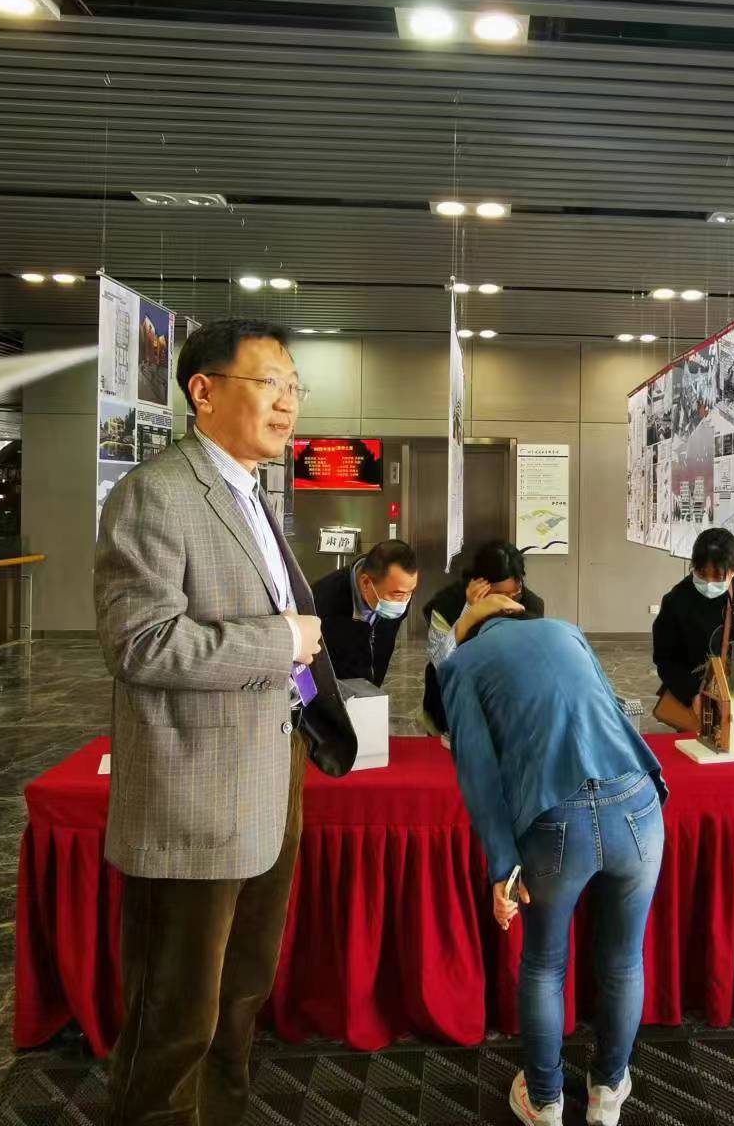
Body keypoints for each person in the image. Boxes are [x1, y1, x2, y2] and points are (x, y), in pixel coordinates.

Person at [94, 319, 337, 1126]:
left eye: (295, 387)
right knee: (174, 1020)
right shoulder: (156, 494)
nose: (288, 402)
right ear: (203, 391)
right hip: (193, 798)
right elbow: (140, 643)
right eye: (270, 383)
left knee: (238, 1002)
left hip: (267, 779)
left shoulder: (248, 491)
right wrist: (282, 641)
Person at [440, 593, 667, 1126]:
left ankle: (544, 1102)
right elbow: (611, 709)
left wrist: (503, 869)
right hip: (636, 802)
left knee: (544, 964)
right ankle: (607, 1091)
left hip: (555, 819)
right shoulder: (566, 630)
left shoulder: (462, 663)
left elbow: (478, 774)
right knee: (624, 960)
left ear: (473, 630)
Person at [651, 527, 734, 733]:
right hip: (700, 705)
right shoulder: (676, 600)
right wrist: (692, 695)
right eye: (701, 572)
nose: (708, 582)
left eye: (718, 575)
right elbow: (665, 659)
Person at [419, 538, 545, 737]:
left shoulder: (530, 604)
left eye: (514, 593)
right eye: (499, 595)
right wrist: (470, 613)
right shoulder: (446, 605)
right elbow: (440, 664)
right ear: (478, 585)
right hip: (449, 705)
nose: (507, 602)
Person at [310, 539, 420, 686]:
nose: (403, 602)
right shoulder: (322, 602)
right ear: (366, 583)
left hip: (371, 689)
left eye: (410, 592)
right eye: (397, 594)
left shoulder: (399, 592)